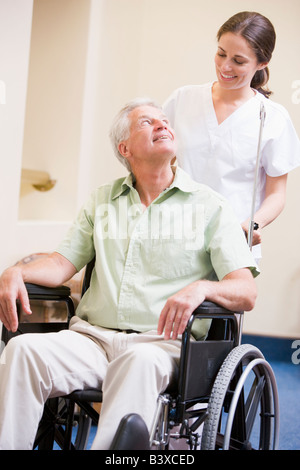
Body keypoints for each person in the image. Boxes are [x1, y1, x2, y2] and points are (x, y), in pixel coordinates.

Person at [0, 98, 259, 450]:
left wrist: (201, 288)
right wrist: (16, 270)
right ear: (125, 148)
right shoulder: (102, 201)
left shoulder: (210, 206)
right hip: (91, 340)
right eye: (147, 122)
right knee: (24, 351)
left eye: (165, 121)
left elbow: (245, 291)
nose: (162, 125)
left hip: (161, 345)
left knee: (137, 361)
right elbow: (62, 263)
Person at [163, 11, 300, 261]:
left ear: (262, 63)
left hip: (232, 246)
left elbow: (277, 195)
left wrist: (251, 226)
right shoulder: (183, 100)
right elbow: (159, 166)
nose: (225, 66)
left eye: (238, 60)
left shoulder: (271, 118)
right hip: (174, 237)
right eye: (221, 53)